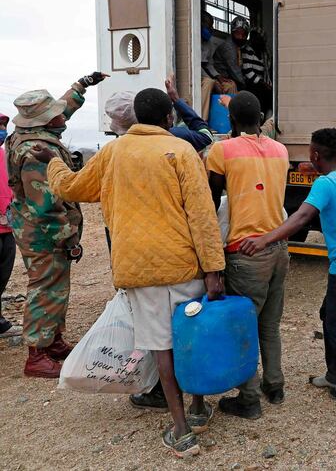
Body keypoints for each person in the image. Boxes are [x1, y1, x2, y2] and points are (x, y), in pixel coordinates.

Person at [39, 87, 225, 458]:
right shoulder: (182, 151)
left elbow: (72, 187)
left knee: (162, 348)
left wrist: (53, 163)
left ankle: (181, 430)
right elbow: (202, 215)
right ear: (169, 118)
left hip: (141, 270)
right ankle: (200, 407)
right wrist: (213, 269)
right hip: (184, 264)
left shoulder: (112, 152)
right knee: (189, 337)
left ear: (137, 118)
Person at [240, 128, 336, 403]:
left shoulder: (325, 184)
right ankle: (334, 375)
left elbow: (302, 216)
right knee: (330, 315)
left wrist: (264, 240)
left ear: (316, 154)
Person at [6, 72, 105, 377]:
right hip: (42, 232)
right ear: (44, 122)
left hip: (36, 227)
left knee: (56, 286)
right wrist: (68, 239)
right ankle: (37, 354)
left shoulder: (34, 132)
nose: (61, 116)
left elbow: (63, 108)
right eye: (55, 115)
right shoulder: (34, 152)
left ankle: (53, 340)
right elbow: (45, 207)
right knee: (45, 286)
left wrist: (82, 85)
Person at [206, 91, 290, 418]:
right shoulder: (280, 150)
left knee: (244, 326)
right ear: (260, 118)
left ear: (231, 120)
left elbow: (212, 200)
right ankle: (275, 384)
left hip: (246, 251)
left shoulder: (222, 150)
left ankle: (249, 398)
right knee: (270, 323)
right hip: (278, 247)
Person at [104, 76, 213, 152]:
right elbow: (206, 136)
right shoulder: (175, 136)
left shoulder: (112, 150)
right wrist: (176, 100)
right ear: (168, 118)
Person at [0, 114, 20, 338]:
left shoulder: (5, 155)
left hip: (8, 227)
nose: (2, 130)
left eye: (4, 125)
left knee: (3, 275)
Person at [213, 15, 250, 91]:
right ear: (232, 32)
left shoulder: (238, 47)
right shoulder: (228, 47)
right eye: (238, 33)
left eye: (243, 35)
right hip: (221, 78)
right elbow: (235, 70)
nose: (240, 37)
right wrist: (246, 86)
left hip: (230, 77)